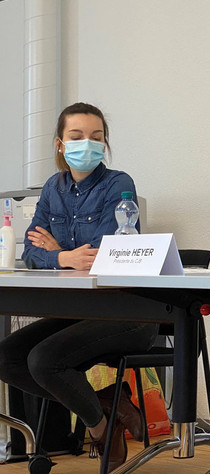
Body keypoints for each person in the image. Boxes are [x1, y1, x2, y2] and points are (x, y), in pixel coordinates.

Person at [0, 103, 158, 469]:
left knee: (43, 360)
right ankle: (104, 407)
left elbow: (106, 250)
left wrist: (60, 251)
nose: (87, 143)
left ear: (105, 144)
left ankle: (101, 429)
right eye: (76, 137)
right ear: (60, 144)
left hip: (129, 312)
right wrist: (62, 258)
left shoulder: (118, 183)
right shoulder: (53, 189)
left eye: (96, 137)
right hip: (78, 310)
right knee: (7, 357)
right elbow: (30, 252)